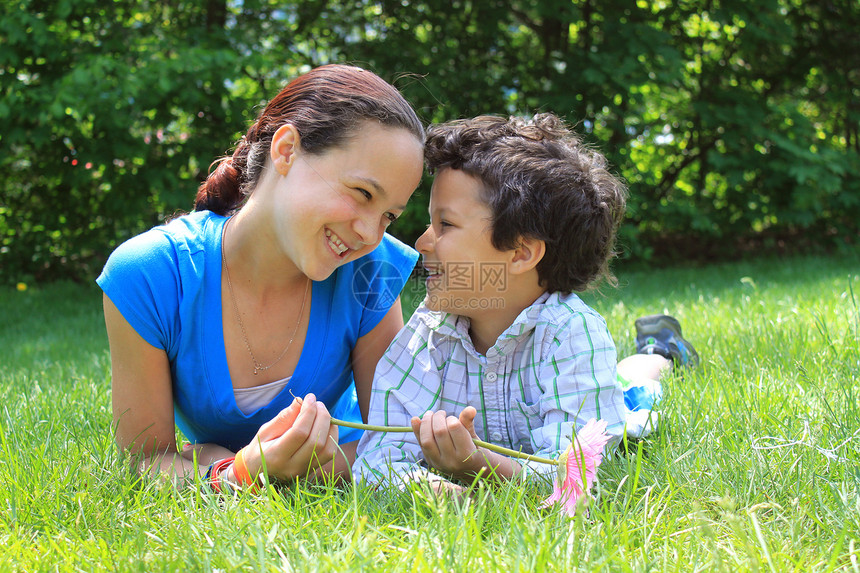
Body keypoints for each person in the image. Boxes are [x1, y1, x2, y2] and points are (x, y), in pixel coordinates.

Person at [97, 64, 426, 489]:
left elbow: (390, 441)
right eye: (362, 193)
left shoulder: (372, 271)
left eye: (388, 216)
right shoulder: (151, 274)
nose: (369, 233)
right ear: (286, 149)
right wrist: (236, 474)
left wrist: (300, 472)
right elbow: (144, 461)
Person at [353, 114, 698, 488]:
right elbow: (377, 457)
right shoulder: (426, 334)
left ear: (520, 253)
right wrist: (431, 489)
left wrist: (481, 467)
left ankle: (659, 350)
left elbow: (576, 472)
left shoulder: (572, 336)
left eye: (445, 225)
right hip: (574, 390)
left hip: (602, 400)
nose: (422, 242)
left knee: (635, 392)